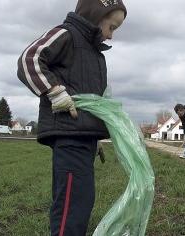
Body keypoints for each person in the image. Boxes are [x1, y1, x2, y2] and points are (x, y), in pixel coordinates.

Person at [16, 0, 126, 235]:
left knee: (82, 200)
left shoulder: (95, 54)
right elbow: (29, 60)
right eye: (112, 27)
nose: (111, 36)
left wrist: (94, 134)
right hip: (68, 137)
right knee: (71, 206)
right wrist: (54, 91)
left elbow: (93, 100)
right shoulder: (66, 34)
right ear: (95, 17)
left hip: (82, 138)